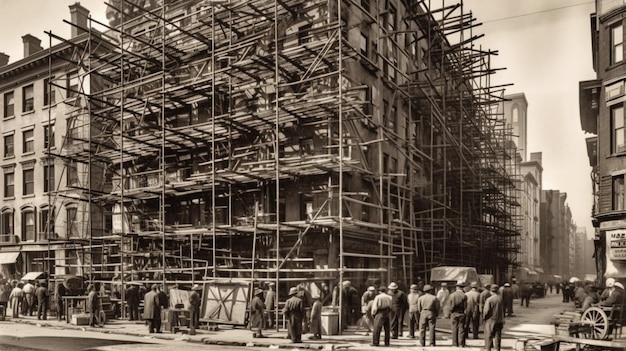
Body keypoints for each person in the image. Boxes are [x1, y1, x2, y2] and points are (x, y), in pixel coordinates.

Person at [483, 285, 504, 351]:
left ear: (491, 291)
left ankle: (488, 348)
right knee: (498, 335)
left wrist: (484, 318)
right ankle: (497, 349)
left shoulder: (489, 300)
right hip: (499, 319)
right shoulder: (500, 299)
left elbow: (486, 311)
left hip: (490, 320)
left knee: (489, 335)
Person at [448, 281, 468, 347]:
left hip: (454, 313)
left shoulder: (452, 295)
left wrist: (450, 312)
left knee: (454, 328)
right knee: (461, 328)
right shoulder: (464, 295)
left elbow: (450, 305)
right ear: (462, 288)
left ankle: (454, 343)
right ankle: (461, 343)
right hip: (461, 313)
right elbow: (465, 306)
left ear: (457, 287)